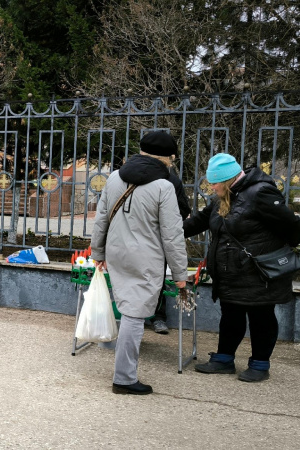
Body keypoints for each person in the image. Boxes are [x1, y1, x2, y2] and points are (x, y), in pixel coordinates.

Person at [183, 153, 300, 382]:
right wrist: (170, 232)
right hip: (230, 272)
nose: (211, 187)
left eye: (214, 182)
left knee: (261, 317)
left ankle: (260, 364)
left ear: (226, 180)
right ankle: (224, 359)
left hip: (257, 272)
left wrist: (274, 250)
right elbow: (199, 221)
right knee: (231, 315)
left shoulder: (260, 193)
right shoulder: (222, 197)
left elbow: (291, 226)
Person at [91, 132, 188, 395]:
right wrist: (180, 273)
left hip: (115, 253)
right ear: (169, 158)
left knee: (125, 307)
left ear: (141, 151)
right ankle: (123, 378)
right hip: (145, 258)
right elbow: (172, 234)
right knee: (134, 314)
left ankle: (122, 370)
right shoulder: (164, 187)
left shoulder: (114, 178)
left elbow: (101, 219)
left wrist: (98, 253)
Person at [140, 133, 193, 334]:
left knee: (157, 280)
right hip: (135, 239)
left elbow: (182, 209)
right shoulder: (126, 176)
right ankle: (134, 317)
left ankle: (157, 316)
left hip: (157, 240)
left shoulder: (172, 181)